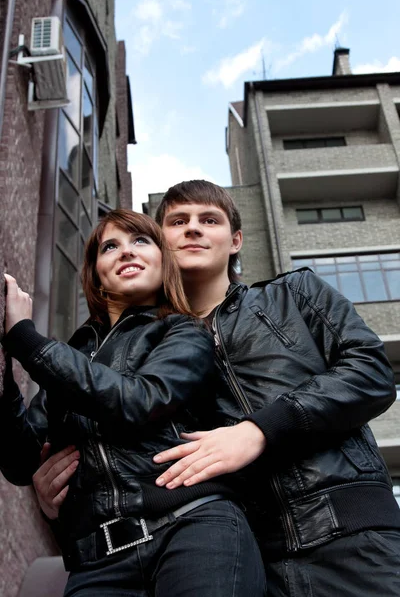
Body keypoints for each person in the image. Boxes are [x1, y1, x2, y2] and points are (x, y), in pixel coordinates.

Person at [32, 181, 400, 596]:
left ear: (236, 240)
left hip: (352, 536)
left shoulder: (294, 293)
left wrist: (258, 430)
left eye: (209, 220)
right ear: (157, 242)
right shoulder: (137, 350)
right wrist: (56, 505)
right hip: (242, 556)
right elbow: (116, 458)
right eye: (177, 221)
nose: (192, 229)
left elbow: (371, 371)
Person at [0, 209, 266, 597]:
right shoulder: (75, 355)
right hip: (97, 562)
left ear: (163, 261)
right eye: (111, 246)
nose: (126, 252)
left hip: (191, 529)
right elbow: (22, 464)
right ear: (95, 273)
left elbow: (140, 400)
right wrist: (4, 383)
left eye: (141, 241)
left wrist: (26, 338)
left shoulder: (184, 330)